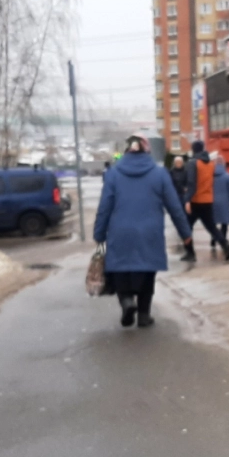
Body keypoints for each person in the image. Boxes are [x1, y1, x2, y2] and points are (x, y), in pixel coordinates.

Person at [94, 135, 192, 328]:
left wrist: (99, 233)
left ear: (126, 152)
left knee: (121, 269)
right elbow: (174, 206)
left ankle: (127, 302)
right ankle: (144, 315)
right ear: (147, 151)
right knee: (147, 272)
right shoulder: (160, 174)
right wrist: (185, 233)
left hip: (120, 232)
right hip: (150, 232)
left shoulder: (113, 174)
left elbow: (104, 206)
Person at [181, 140, 229, 262]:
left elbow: (192, 184)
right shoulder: (210, 164)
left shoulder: (193, 163)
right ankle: (226, 245)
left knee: (186, 226)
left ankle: (190, 253)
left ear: (193, 149)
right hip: (208, 200)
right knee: (211, 227)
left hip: (195, 201)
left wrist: (187, 200)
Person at [211, 155, 229, 248]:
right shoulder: (227, 176)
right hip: (224, 202)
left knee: (213, 222)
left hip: (212, 202)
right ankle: (222, 239)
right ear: (224, 164)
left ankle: (213, 239)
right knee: (224, 222)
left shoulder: (211, 176)